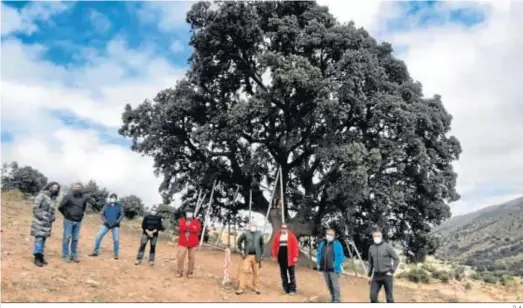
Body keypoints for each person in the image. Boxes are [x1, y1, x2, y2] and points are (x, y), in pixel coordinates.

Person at [58, 183, 91, 263]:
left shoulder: (83, 199)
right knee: (67, 238)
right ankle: (66, 255)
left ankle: (73, 255)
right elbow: (60, 207)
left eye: (79, 188)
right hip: (68, 220)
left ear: (81, 189)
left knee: (75, 239)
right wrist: (66, 214)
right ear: (73, 188)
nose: (77, 189)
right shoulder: (67, 197)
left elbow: (83, 208)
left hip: (78, 221)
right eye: (76, 187)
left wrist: (81, 216)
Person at [30, 182, 60, 267]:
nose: (55, 189)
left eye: (56, 188)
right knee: (39, 239)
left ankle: (41, 256)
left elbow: (53, 209)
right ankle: (37, 257)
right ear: (49, 186)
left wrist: (53, 216)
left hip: (47, 223)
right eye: (53, 187)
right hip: (39, 221)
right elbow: (35, 208)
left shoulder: (54, 198)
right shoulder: (41, 195)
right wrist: (43, 216)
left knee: (43, 239)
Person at [367, 229, 400, 303]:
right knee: (372, 297)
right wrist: (369, 275)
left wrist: (391, 271)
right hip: (376, 276)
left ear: (381, 236)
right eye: (374, 236)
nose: (376, 237)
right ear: (372, 237)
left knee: (389, 298)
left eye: (378, 236)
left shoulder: (387, 247)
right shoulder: (371, 248)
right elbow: (370, 263)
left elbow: (397, 259)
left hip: (387, 275)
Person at [89, 193, 124, 259]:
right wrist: (105, 221)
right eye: (112, 197)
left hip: (115, 225)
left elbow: (122, 214)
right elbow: (101, 213)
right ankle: (95, 252)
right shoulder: (106, 205)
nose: (113, 198)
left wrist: (117, 222)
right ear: (110, 198)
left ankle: (116, 254)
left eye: (114, 197)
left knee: (116, 240)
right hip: (106, 224)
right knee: (98, 236)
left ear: (116, 199)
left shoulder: (119, 206)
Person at [316, 228, 345, 303]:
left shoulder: (337, 244)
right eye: (328, 234)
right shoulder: (322, 243)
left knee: (335, 286)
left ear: (334, 236)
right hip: (324, 268)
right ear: (326, 235)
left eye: (331, 234)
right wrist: (319, 263)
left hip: (334, 269)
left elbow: (341, 257)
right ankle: (332, 298)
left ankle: (337, 300)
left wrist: (334, 264)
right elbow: (319, 254)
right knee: (329, 285)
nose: (329, 236)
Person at [236, 221, 265, 295]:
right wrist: (241, 250)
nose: (253, 227)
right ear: (249, 226)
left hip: (257, 256)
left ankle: (256, 287)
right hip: (247, 256)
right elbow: (239, 241)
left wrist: (262, 254)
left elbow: (262, 244)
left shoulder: (259, 234)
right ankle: (241, 288)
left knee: (256, 273)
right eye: (252, 225)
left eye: (254, 225)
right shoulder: (245, 233)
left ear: (256, 226)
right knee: (244, 271)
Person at [271, 224, 299, 295]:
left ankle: (292, 289)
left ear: (287, 229)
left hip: (290, 258)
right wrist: (274, 256)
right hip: (281, 257)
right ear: (281, 229)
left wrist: (295, 256)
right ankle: (285, 288)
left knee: (291, 274)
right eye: (282, 228)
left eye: (285, 228)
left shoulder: (291, 236)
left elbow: (296, 247)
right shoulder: (277, 236)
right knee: (283, 274)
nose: (284, 229)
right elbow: (274, 247)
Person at [177, 210, 201, 278]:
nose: (189, 215)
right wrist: (191, 227)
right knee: (180, 257)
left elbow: (197, 230)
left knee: (192, 258)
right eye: (188, 213)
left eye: (190, 213)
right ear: (185, 214)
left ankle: (190, 273)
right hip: (183, 242)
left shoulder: (196, 221)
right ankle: (179, 272)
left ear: (193, 214)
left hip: (193, 243)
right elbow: (181, 228)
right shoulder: (182, 220)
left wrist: (188, 227)